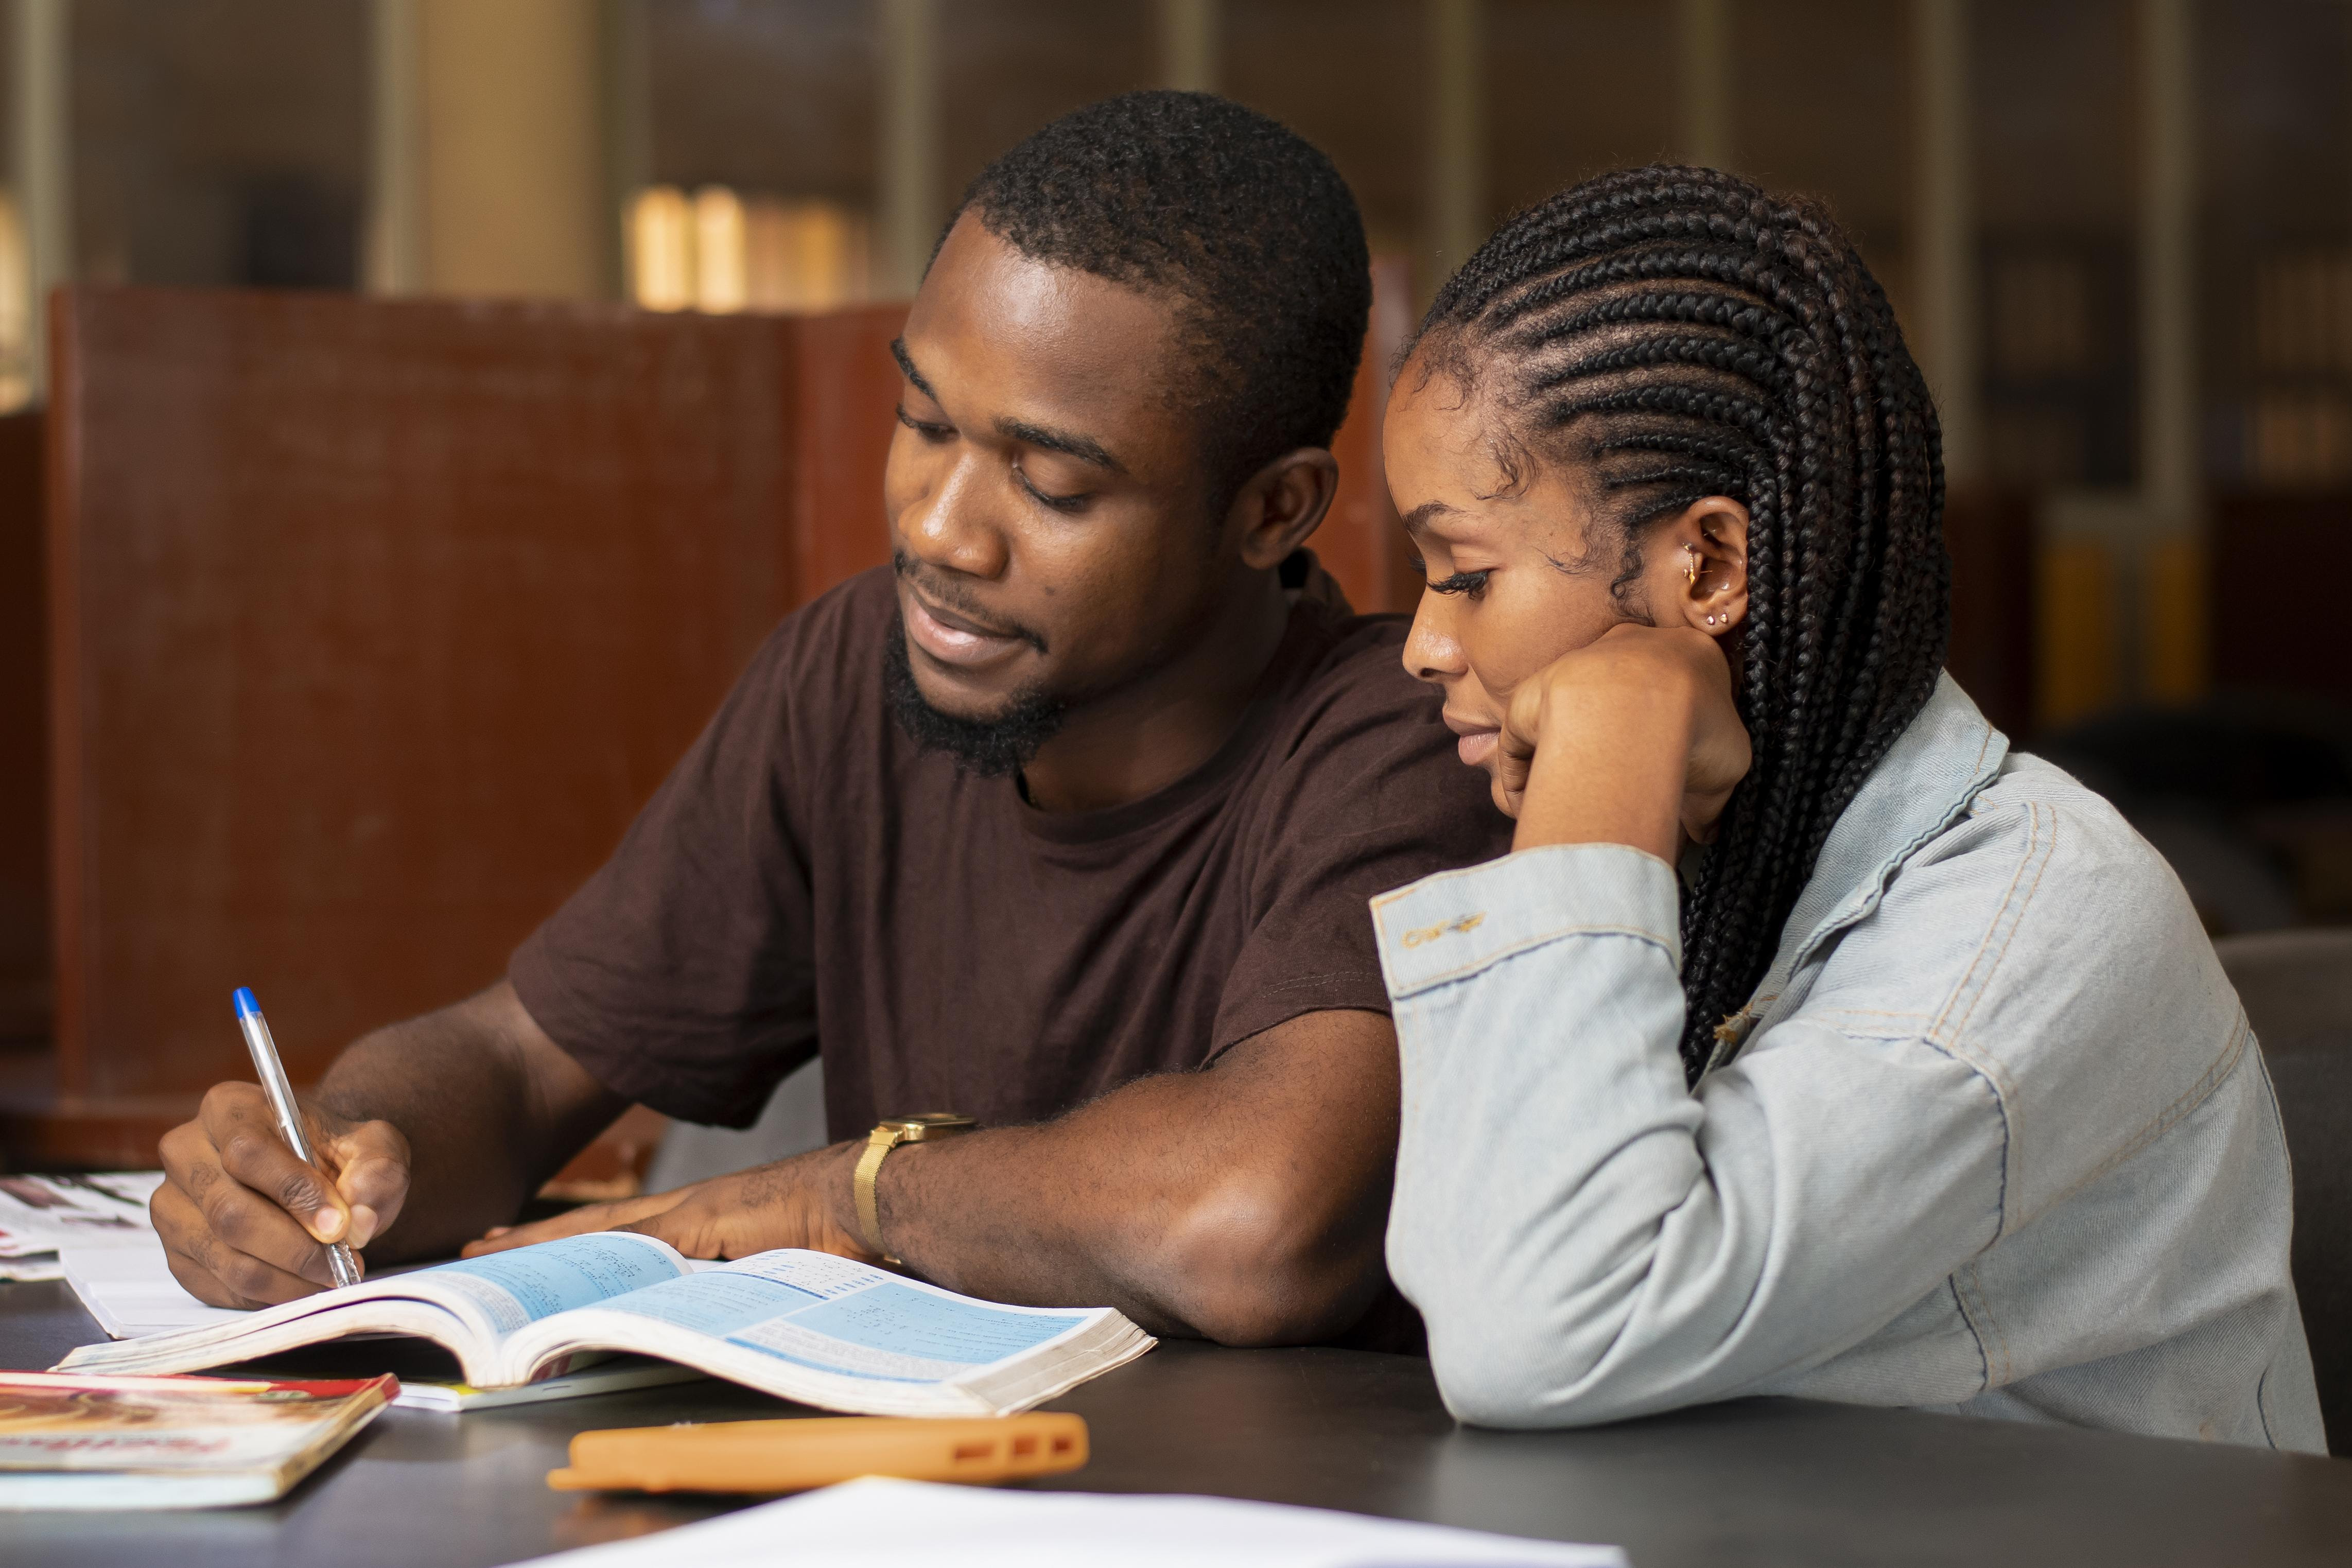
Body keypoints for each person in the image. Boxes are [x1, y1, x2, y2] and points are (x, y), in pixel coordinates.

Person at [150, 92, 1506, 1347]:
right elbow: (514, 1059)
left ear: (1271, 508)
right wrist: (341, 1148)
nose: (935, 525)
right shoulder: (860, 671)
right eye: (923, 420)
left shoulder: (1415, 732)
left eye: (1049, 483)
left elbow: (1257, 1223)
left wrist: (846, 1194)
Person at [1372, 166, 2326, 1451]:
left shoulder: (2025, 922)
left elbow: (1535, 1326)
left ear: (1704, 564)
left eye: (1465, 576)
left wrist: (1610, 732)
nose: (1423, 645)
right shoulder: (1712, 854)